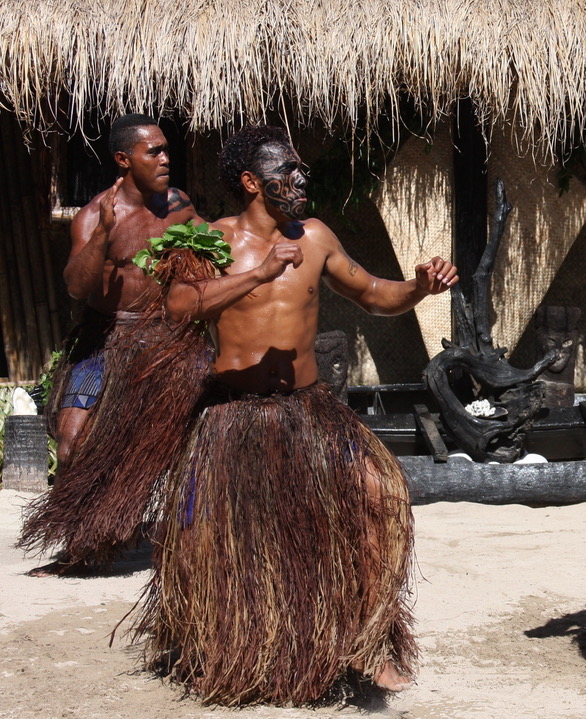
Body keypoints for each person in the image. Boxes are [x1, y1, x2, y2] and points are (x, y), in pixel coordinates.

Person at [133, 126, 457, 705]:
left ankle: (370, 642)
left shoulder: (316, 237)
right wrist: (257, 275)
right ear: (252, 182)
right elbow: (181, 306)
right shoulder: (209, 240)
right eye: (287, 171)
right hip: (231, 417)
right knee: (206, 537)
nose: (300, 179)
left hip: (307, 412)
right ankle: (218, 651)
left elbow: (375, 294)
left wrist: (419, 287)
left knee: (378, 500)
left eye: (301, 170)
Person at [20, 114, 209, 575]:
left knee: (198, 435)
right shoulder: (93, 216)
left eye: (167, 149)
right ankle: (77, 545)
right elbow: (76, 287)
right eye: (155, 152)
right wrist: (103, 235)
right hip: (106, 338)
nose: (166, 158)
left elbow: (211, 243)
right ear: (124, 159)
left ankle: (193, 537)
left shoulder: (178, 204)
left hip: (167, 336)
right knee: (71, 442)